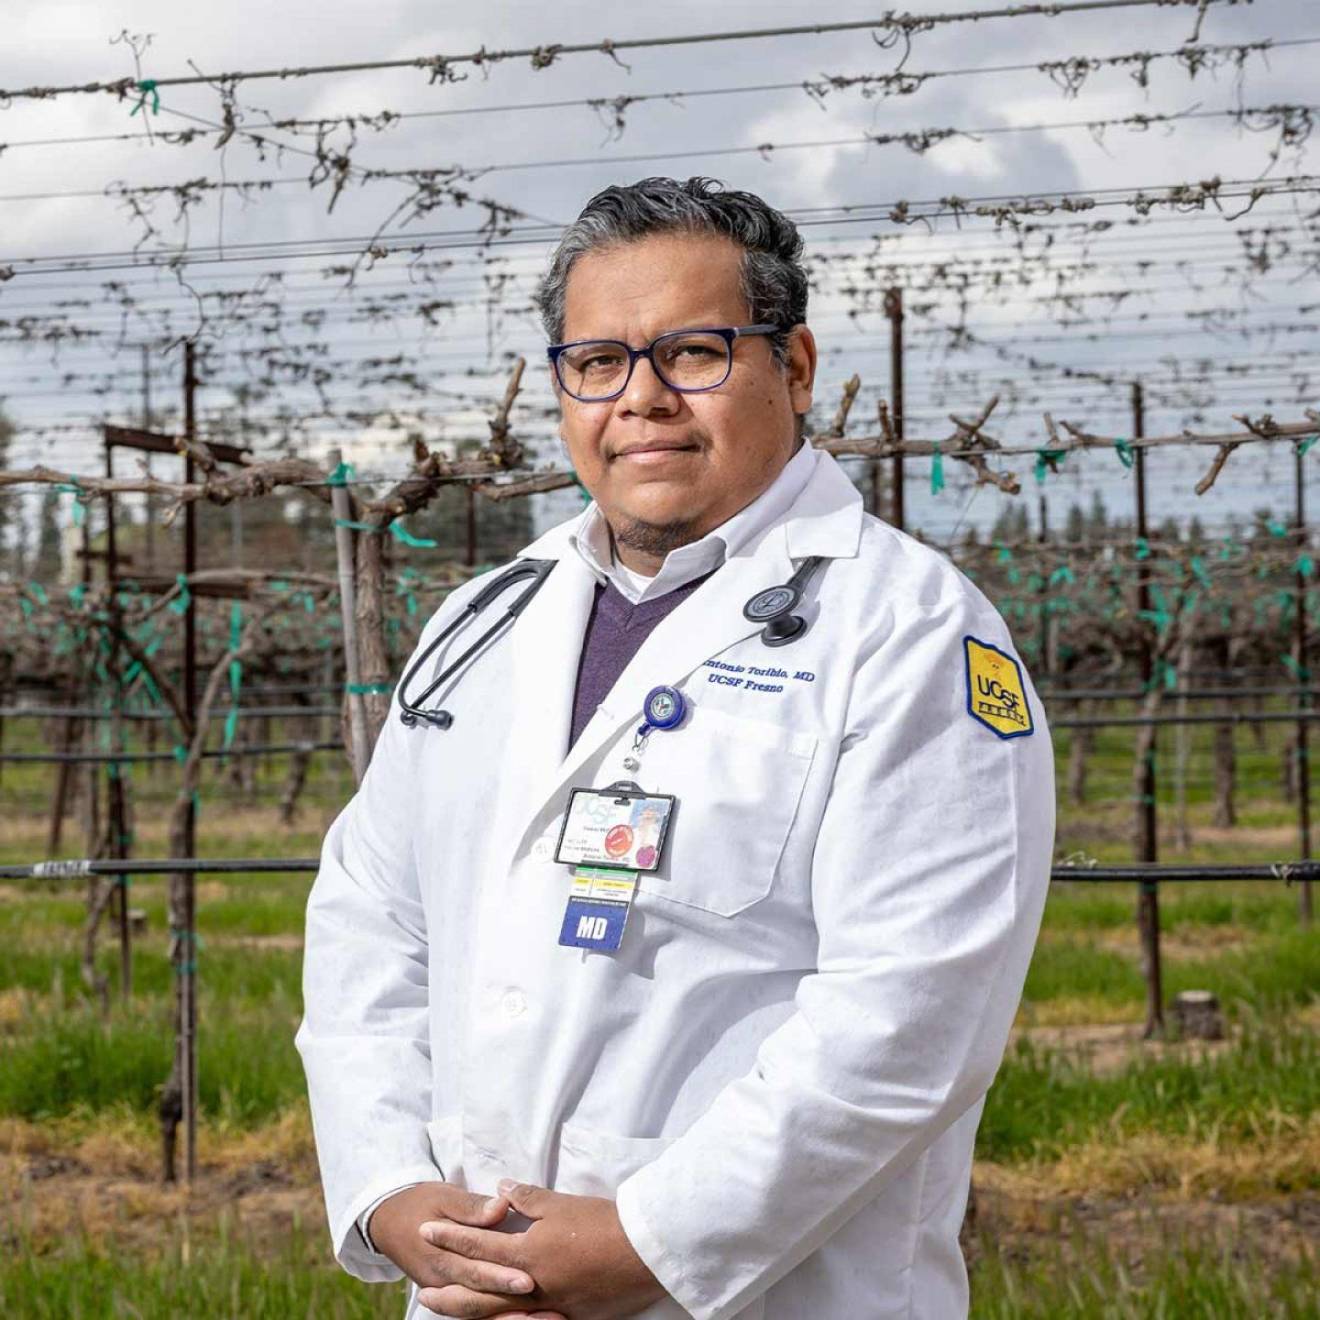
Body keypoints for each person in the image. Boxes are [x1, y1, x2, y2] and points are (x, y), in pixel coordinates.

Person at [296, 175, 1056, 1320]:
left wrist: (649, 1239)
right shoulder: (484, 620)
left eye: (693, 352)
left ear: (793, 368)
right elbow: (370, 919)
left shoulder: (910, 633)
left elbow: (909, 1019)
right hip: (473, 1284)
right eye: (596, 362)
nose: (640, 399)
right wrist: (393, 1188)